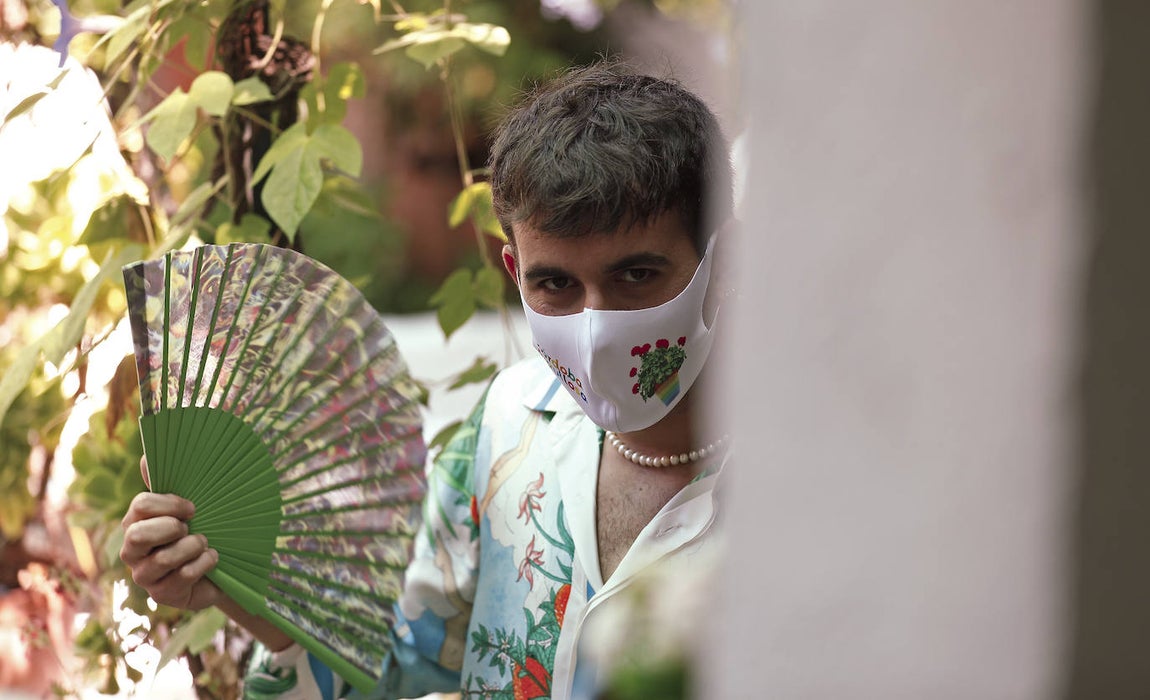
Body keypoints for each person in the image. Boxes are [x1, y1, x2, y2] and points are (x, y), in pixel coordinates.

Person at [120, 61, 733, 699]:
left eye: (637, 276)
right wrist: (240, 594)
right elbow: (400, 656)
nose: (595, 326)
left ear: (723, 262)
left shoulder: (805, 491)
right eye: (555, 284)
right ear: (513, 269)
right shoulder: (508, 425)